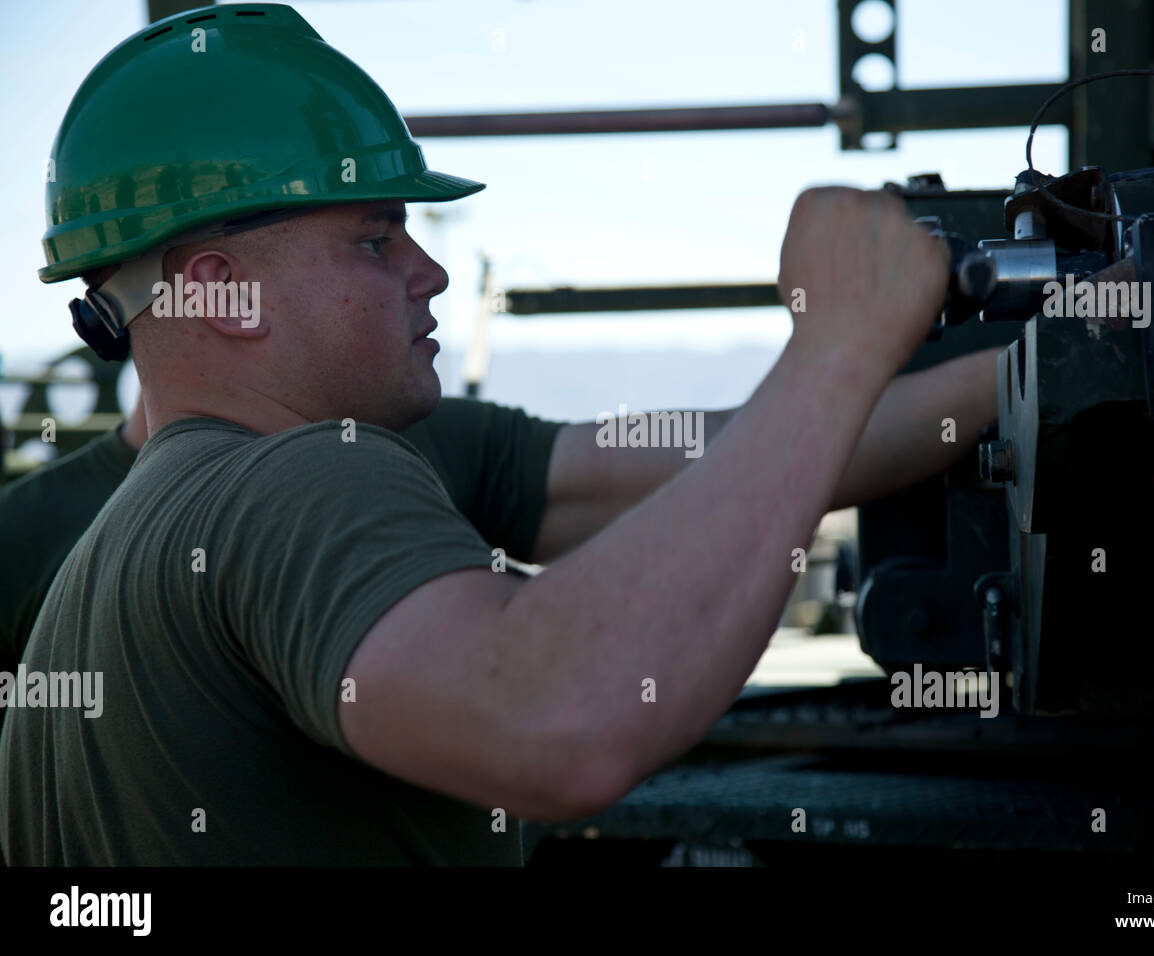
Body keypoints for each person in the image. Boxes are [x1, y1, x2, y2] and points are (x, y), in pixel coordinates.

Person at [0, 3, 989, 865]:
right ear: (226, 293)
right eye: (377, 239)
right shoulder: (294, 484)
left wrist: (1013, 373)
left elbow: (722, 457)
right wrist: (837, 346)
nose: (428, 272)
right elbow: (558, 723)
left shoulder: (111, 555)